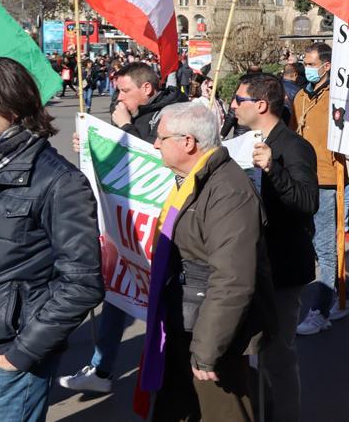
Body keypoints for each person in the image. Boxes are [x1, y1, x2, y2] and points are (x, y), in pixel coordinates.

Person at [60, 61, 187, 395]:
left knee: (162, 301)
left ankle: (168, 373)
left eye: (124, 90)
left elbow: (155, 161)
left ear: (146, 89)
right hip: (129, 229)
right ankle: (101, 369)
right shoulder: (134, 115)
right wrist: (89, 147)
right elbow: (118, 161)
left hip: (163, 229)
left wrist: (126, 126)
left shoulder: (172, 115)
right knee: (118, 293)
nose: (119, 97)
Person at [145, 101, 272, 421]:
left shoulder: (227, 190)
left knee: (221, 412)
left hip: (210, 332)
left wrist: (207, 349)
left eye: (161, 138)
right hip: (186, 320)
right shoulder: (192, 181)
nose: (155, 144)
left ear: (188, 142)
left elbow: (233, 279)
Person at [0, 58, 103, 421]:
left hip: (10, 357)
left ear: (8, 107)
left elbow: (82, 283)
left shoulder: (60, 181)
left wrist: (20, 355)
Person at [230, 73, 318, 420]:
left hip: (281, 268)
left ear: (261, 105)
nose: (234, 105)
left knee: (277, 354)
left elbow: (307, 201)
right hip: (249, 264)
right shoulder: (241, 141)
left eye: (239, 100)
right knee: (247, 351)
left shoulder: (294, 147)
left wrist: (272, 169)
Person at [294, 42, 349, 335]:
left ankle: (321, 309)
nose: (306, 67)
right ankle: (340, 292)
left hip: (328, 180)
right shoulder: (300, 97)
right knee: (311, 246)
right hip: (302, 180)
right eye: (304, 62)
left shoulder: (339, 98)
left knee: (325, 244)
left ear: (326, 66)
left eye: (310, 63)